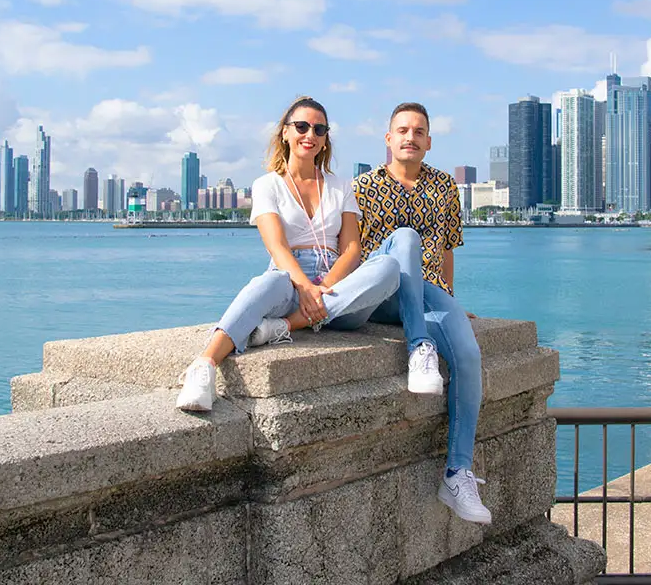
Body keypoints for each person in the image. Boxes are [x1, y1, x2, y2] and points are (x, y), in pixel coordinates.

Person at [177, 96, 400, 412]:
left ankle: (287, 326)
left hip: (337, 287)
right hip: (290, 277)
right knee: (263, 285)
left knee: (388, 266)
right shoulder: (267, 185)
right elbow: (277, 247)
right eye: (302, 126)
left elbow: (352, 249)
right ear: (285, 132)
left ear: (325, 140)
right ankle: (205, 365)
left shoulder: (340, 186)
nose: (310, 135)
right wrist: (305, 287)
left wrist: (323, 287)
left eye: (319, 129)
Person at [353, 102, 490, 525]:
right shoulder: (362, 188)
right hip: (386, 294)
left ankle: (457, 471)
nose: (410, 137)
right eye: (402, 130)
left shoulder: (445, 187)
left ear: (428, 142)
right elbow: (352, 252)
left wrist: (450, 298)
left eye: (418, 131)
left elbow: (446, 250)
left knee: (467, 355)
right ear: (388, 138)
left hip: (431, 291)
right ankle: (419, 345)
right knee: (405, 240)